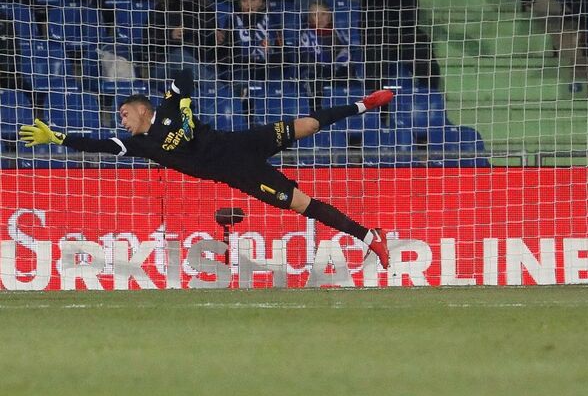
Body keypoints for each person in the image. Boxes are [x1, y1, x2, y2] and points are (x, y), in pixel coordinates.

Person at [19, 69, 393, 269]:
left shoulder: (167, 108)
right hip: (240, 174)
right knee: (301, 203)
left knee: (307, 125)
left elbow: (183, 75)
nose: (122, 120)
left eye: (125, 113)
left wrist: (183, 101)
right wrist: (59, 138)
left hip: (240, 143)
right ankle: (367, 235)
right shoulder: (140, 144)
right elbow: (99, 145)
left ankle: (363, 104)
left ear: (142, 108)